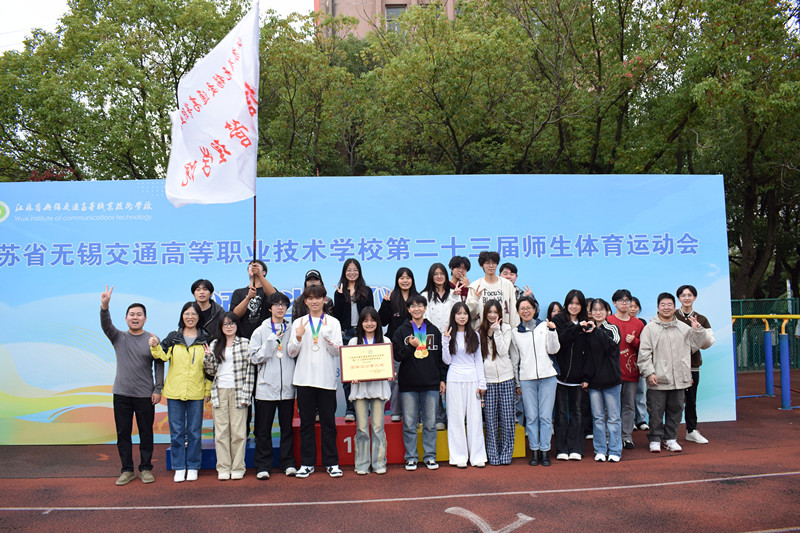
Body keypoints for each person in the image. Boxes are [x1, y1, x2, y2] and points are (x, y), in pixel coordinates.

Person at [99, 285, 163, 486]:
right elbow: (106, 324)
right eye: (132, 314)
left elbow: (159, 364)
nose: (135, 317)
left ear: (145, 318)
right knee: (123, 434)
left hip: (145, 395)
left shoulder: (152, 340)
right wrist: (105, 306)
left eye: (139, 315)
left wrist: (158, 389)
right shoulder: (118, 337)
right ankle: (127, 470)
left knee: (146, 433)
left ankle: (145, 468)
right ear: (126, 318)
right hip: (122, 394)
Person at [638, 293, 712, 453]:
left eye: (669, 304)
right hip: (658, 378)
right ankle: (655, 438)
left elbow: (695, 346)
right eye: (663, 305)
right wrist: (649, 372)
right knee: (656, 411)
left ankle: (670, 438)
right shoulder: (650, 328)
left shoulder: (683, 328)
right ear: (658, 307)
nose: (666, 308)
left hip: (679, 378)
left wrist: (698, 330)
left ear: (674, 307)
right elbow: (644, 353)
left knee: (676, 409)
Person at [149, 301, 211, 482]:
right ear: (182, 316)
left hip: (196, 392)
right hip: (174, 391)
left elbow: (210, 368)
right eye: (186, 313)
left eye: (194, 314)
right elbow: (162, 356)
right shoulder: (174, 337)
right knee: (176, 432)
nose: (190, 317)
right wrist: (155, 346)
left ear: (199, 317)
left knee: (194, 432)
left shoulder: (205, 338)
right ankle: (179, 466)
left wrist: (207, 390)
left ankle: (193, 466)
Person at [287, 284, 344, 478]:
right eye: (310, 298)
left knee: (329, 423)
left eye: (318, 298)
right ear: (305, 301)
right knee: (306, 424)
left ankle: (332, 463)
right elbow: (291, 352)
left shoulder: (333, 323)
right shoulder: (299, 322)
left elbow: (337, 352)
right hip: (304, 380)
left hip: (327, 380)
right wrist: (298, 337)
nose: (314, 301)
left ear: (324, 300)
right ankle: (307, 463)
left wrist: (327, 339)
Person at [393, 294, 446, 471]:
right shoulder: (401, 331)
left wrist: (442, 379)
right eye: (413, 306)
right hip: (408, 385)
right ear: (408, 310)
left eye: (420, 306)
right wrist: (411, 346)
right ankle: (411, 458)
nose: (417, 309)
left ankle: (430, 456)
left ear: (425, 308)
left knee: (430, 424)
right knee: (409, 424)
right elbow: (397, 356)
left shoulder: (434, 330)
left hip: (431, 384)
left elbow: (440, 358)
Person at [250, 292, 297, 479]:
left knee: (287, 429)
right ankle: (263, 465)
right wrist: (271, 341)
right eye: (276, 304)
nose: (280, 308)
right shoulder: (260, 331)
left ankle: (288, 463)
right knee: (263, 430)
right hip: (265, 388)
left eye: (283, 304)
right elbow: (254, 358)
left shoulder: (292, 329)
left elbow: (294, 353)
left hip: (287, 389)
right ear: (269, 308)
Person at [204, 312, 255, 480]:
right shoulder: (214, 344)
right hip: (220, 391)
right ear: (221, 327)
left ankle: (238, 467)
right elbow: (211, 371)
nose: (229, 326)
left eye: (232, 323)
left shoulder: (245, 343)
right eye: (225, 324)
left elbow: (250, 371)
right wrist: (208, 358)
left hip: (239, 391)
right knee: (221, 434)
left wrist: (246, 395)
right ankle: (224, 468)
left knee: (239, 433)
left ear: (237, 325)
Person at [510, 295, 560, 467]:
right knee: (531, 417)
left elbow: (554, 349)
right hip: (527, 379)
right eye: (522, 308)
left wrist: (552, 331)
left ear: (534, 309)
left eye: (528, 308)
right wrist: (517, 382)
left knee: (545, 417)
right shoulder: (515, 333)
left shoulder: (544, 326)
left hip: (548, 377)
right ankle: (535, 450)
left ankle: (545, 451)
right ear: (518, 312)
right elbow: (515, 359)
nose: (526, 311)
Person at [442, 303, 488, 468]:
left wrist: (482, 382)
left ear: (469, 316)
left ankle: (477, 456)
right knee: (455, 419)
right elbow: (447, 360)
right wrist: (445, 342)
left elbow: (479, 361)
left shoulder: (474, 335)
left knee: (475, 419)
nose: (462, 316)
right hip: (454, 379)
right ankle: (458, 456)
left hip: (473, 380)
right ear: (453, 316)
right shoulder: (448, 335)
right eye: (459, 313)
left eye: (465, 313)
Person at [348, 307, 391, 475]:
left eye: (372, 320)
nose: (369, 324)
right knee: (362, 428)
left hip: (378, 389)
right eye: (365, 321)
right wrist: (352, 376)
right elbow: (349, 366)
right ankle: (362, 464)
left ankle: (379, 463)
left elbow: (389, 365)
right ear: (360, 323)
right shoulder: (353, 342)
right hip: (360, 390)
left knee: (378, 427)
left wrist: (389, 373)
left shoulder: (385, 341)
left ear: (378, 323)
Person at [422, 262, 462, 430]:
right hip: (431, 341)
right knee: (434, 377)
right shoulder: (424, 295)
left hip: (451, 340)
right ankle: (438, 415)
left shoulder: (454, 294)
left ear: (446, 276)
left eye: (442, 273)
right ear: (431, 277)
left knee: (451, 377)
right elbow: (423, 318)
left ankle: (454, 415)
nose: (439, 277)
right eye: (435, 274)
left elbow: (460, 315)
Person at [333, 259, 375, 421]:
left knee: (365, 373)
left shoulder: (366, 290)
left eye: (355, 269)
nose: (352, 273)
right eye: (349, 270)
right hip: (345, 334)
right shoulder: (339, 291)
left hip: (363, 333)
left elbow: (371, 312)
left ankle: (365, 408)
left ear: (359, 271)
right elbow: (337, 316)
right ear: (344, 272)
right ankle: (350, 409)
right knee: (348, 375)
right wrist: (340, 297)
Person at [675, 284, 715, 444]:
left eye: (689, 295)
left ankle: (691, 430)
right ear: (678, 298)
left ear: (695, 297)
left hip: (692, 365)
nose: (686, 298)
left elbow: (708, 343)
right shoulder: (671, 315)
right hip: (672, 365)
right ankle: (668, 434)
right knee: (671, 400)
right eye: (683, 295)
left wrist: (699, 330)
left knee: (690, 399)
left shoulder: (701, 319)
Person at [551, 289, 589, 461]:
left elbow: (589, 351)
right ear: (566, 304)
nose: (574, 306)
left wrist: (586, 377)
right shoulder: (558, 320)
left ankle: (576, 448)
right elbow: (560, 342)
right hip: (560, 376)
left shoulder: (587, 322)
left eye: (577, 304)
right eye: (571, 303)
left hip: (578, 378)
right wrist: (575, 328)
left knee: (577, 413)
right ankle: (561, 448)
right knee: (560, 413)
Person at [583, 299, 623, 462]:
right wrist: (586, 378)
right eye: (595, 310)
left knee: (613, 418)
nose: (598, 312)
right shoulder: (587, 330)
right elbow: (587, 357)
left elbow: (611, 347)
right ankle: (600, 449)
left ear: (608, 312)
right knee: (598, 418)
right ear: (590, 312)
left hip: (612, 381)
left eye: (601, 309)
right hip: (594, 383)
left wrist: (597, 331)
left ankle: (615, 450)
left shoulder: (613, 328)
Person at [606, 289, 644, 450]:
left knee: (628, 405)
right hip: (611, 372)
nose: (624, 303)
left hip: (631, 371)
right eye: (621, 300)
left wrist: (634, 341)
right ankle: (609, 437)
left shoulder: (638, 324)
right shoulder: (607, 321)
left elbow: (645, 348)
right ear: (614, 303)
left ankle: (626, 436)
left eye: (627, 300)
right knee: (610, 406)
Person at [479, 300, 515, 466]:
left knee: (507, 419)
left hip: (506, 378)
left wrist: (497, 331)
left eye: (495, 312)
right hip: (489, 381)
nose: (492, 315)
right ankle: (493, 455)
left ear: (500, 313)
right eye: (490, 312)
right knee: (491, 420)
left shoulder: (506, 328)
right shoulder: (479, 331)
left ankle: (506, 454)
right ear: (485, 313)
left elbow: (502, 351)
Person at [380, 267, 419, 422]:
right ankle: (395, 411)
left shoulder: (417, 298)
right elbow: (382, 321)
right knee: (395, 379)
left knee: (414, 377)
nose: (405, 280)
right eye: (402, 278)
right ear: (397, 280)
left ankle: (413, 412)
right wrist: (385, 304)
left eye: (408, 277)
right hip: (395, 346)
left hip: (415, 344)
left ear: (412, 280)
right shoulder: (392, 298)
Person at [466, 251, 519, 329]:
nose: (491, 266)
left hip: (503, 330)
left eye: (494, 263)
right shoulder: (475, 286)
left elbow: (513, 310)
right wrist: (475, 300)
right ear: (481, 265)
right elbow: (469, 313)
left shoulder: (507, 285)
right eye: (487, 263)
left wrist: (514, 330)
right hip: (481, 330)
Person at [229, 259, 277, 340]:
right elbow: (234, 316)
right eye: (251, 266)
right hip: (243, 339)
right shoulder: (238, 292)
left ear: (264, 272)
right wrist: (248, 298)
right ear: (248, 272)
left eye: (257, 266)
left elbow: (275, 298)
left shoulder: (268, 290)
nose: (254, 267)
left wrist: (259, 275)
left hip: (265, 337)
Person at [629, 297, 650, 431]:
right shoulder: (619, 322)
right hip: (626, 363)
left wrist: (635, 341)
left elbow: (646, 343)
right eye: (630, 306)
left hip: (640, 362)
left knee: (641, 391)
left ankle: (641, 419)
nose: (633, 309)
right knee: (627, 394)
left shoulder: (642, 323)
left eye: (635, 307)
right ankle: (629, 420)